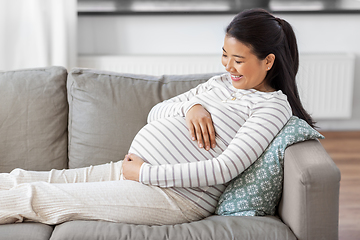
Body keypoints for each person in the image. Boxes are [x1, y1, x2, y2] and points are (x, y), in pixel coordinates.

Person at [0, 9, 314, 225]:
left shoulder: (272, 108)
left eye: (238, 60)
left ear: (268, 61)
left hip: (175, 196)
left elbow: (224, 168)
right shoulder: (217, 83)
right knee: (29, 177)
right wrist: (193, 107)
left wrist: (145, 174)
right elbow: (156, 112)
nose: (227, 67)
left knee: (40, 197)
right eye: (224, 55)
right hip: (136, 171)